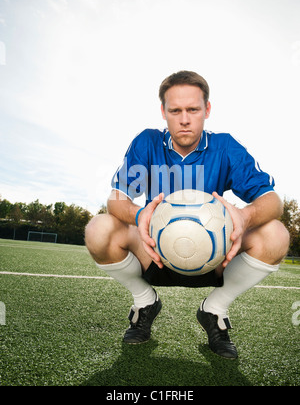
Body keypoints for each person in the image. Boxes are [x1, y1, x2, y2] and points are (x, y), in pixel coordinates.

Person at [85, 71, 290, 359]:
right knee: (99, 228)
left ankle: (214, 311)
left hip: (215, 257)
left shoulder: (225, 147)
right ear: (163, 112)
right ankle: (144, 302)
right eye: (175, 110)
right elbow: (117, 199)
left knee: (276, 234)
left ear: (207, 110)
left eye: (193, 109)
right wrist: (140, 213)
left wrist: (244, 217)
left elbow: (272, 200)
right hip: (154, 253)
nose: (184, 119)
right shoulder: (147, 142)